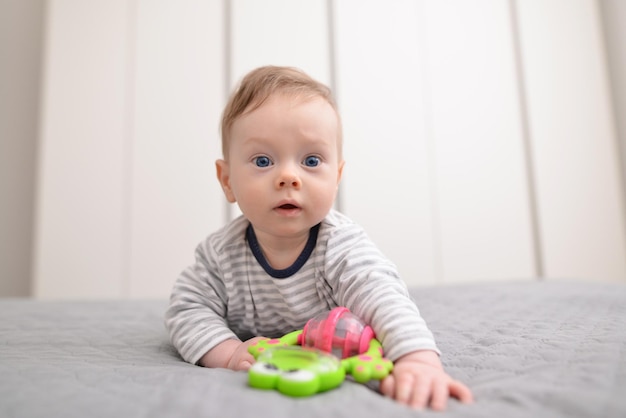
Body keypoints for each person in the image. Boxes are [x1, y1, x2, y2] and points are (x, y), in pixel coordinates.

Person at [165, 65, 473, 410]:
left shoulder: (340, 245)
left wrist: (417, 359)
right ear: (227, 180)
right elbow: (187, 308)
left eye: (311, 160)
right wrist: (227, 351)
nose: (288, 176)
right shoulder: (219, 255)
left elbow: (384, 297)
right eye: (263, 160)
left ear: (336, 176)